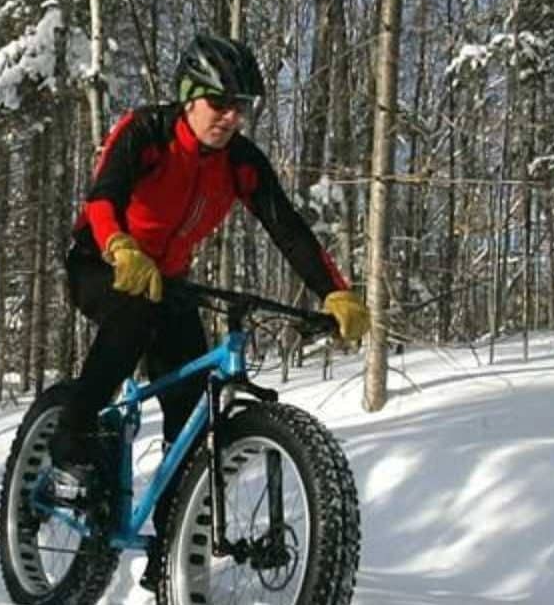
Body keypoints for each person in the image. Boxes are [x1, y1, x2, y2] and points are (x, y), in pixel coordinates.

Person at [50, 33, 372, 590]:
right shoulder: (147, 132)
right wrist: (119, 247)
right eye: (219, 104)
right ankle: (70, 445)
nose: (230, 118)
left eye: (240, 108)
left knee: (191, 409)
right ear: (188, 96)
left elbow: (288, 229)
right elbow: (102, 197)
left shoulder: (241, 162)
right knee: (130, 320)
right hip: (100, 261)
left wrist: (334, 291)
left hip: (168, 281)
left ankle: (167, 551)